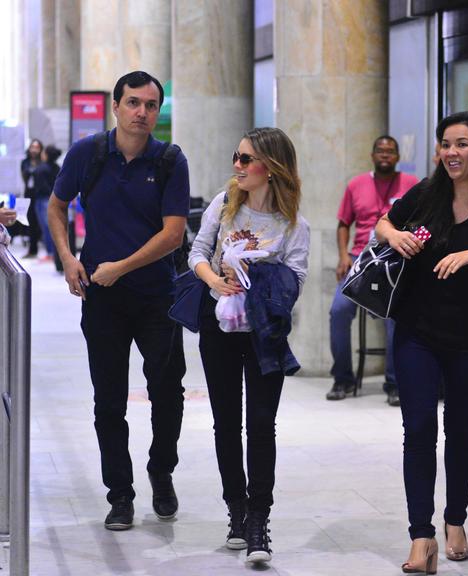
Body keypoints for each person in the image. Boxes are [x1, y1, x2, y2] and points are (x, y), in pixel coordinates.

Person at [48, 71, 190, 531]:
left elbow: (173, 233)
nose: (142, 113)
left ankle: (161, 470)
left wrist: (121, 267)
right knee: (109, 401)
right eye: (133, 103)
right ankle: (120, 495)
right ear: (115, 106)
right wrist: (68, 257)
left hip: (157, 298)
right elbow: (56, 205)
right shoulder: (88, 153)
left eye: (151, 105)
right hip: (102, 301)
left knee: (167, 392)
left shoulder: (170, 159)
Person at [375, 111, 468, 574]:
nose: (451, 152)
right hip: (417, 331)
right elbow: (383, 224)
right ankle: (420, 536)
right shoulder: (427, 194)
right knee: (417, 431)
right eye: (445, 144)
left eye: (462, 144)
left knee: (461, 433)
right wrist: (397, 236)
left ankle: (456, 521)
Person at [188, 127, 310, 563]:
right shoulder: (223, 207)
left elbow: (296, 279)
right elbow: (196, 253)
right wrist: (215, 280)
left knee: (261, 424)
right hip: (217, 323)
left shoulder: (294, 223)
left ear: (271, 168)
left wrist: (257, 277)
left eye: (246, 160)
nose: (237, 166)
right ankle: (236, 512)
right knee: (225, 422)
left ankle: (260, 520)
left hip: (264, 332)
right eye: (236, 157)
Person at [327, 136, 418, 406]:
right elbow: (343, 224)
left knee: (396, 315)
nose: (385, 155)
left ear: (398, 156)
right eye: (380, 150)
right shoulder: (356, 185)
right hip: (361, 260)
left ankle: (394, 381)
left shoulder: (411, 184)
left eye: (391, 151)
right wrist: (343, 256)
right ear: (372, 154)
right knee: (339, 311)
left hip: (395, 260)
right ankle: (342, 378)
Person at [34, 144, 61, 261]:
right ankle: (54, 252)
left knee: (46, 228)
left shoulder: (41, 169)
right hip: (55, 200)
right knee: (54, 226)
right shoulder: (57, 167)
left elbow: (41, 186)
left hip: (43, 200)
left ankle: (50, 253)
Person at [20, 139, 43, 257]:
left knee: (41, 221)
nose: (34, 149)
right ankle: (32, 249)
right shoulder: (25, 162)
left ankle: (43, 247)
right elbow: (24, 176)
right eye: (32, 147)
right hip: (29, 193)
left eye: (37, 147)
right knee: (30, 221)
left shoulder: (42, 161)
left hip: (40, 194)